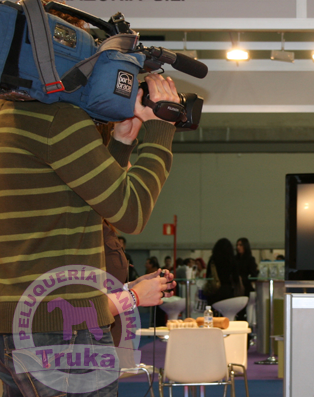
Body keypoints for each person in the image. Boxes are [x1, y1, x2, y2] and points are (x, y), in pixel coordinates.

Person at [0, 62, 179, 395]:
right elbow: (132, 212)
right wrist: (159, 132)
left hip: (23, 324)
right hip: (60, 330)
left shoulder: (12, 115)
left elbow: (79, 207)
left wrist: (121, 145)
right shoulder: (57, 119)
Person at [205, 238, 244, 306]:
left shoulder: (212, 260)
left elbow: (208, 275)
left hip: (214, 291)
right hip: (227, 291)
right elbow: (236, 278)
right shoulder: (232, 260)